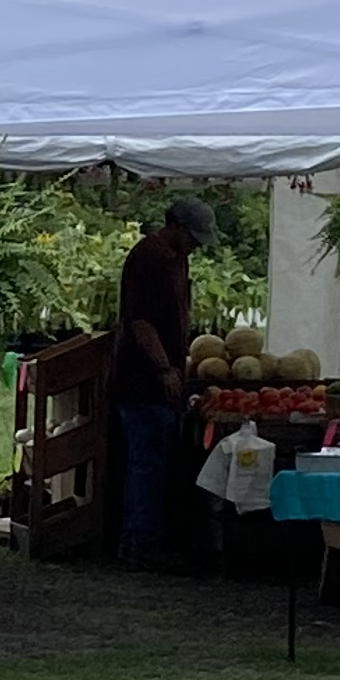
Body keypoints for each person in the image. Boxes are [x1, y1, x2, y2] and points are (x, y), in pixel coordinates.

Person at [111, 193, 215, 567]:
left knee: (156, 461)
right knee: (147, 462)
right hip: (141, 381)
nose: (195, 246)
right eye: (192, 237)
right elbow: (140, 321)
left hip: (164, 380)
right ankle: (139, 543)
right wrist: (163, 368)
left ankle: (149, 538)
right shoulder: (149, 257)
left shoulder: (177, 259)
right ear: (176, 227)